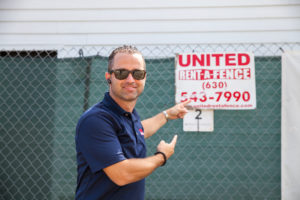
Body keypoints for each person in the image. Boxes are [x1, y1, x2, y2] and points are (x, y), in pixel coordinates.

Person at [75, 45, 190, 200]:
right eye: (122, 73)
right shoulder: (95, 120)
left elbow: (137, 131)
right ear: (108, 77)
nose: (130, 79)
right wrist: (162, 156)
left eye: (137, 73)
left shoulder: (127, 115)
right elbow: (122, 174)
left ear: (145, 77)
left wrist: (167, 114)